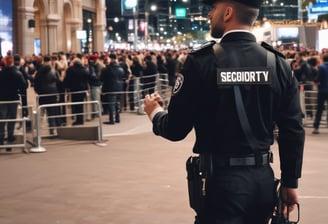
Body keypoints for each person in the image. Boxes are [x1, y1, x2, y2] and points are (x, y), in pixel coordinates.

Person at [144, 0, 305, 223]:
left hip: (221, 183)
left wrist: (155, 112)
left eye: (214, 9)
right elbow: (293, 130)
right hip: (263, 182)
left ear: (228, 12)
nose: (210, 14)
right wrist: (290, 182)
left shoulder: (201, 62)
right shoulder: (278, 64)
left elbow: (175, 129)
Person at [0, 56, 27, 151]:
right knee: (12, 118)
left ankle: (1, 138)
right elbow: (24, 85)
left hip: (2, 99)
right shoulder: (17, 73)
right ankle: (10, 137)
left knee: (2, 119)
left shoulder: (1, 73)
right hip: (13, 99)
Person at [34, 55, 60, 135]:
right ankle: (52, 129)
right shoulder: (54, 71)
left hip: (42, 94)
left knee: (41, 112)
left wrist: (39, 92)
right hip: (52, 94)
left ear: (43, 61)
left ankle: (37, 130)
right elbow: (58, 82)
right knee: (51, 112)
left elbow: (36, 84)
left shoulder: (39, 72)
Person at [64, 57, 90, 125]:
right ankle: (80, 119)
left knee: (75, 104)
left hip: (74, 90)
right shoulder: (84, 69)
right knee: (80, 105)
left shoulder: (70, 70)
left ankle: (77, 119)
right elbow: (88, 79)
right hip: (82, 90)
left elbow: (67, 80)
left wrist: (66, 88)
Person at [100, 53, 124, 124]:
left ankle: (111, 119)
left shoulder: (107, 69)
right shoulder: (120, 68)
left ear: (110, 59)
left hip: (111, 88)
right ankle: (117, 118)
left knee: (111, 104)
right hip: (119, 88)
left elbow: (101, 78)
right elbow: (122, 76)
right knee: (117, 103)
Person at [312, 53, 328, 134]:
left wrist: (315, 81)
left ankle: (316, 127)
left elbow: (318, 79)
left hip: (322, 90)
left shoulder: (321, 67)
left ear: (323, 59)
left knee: (319, 109)